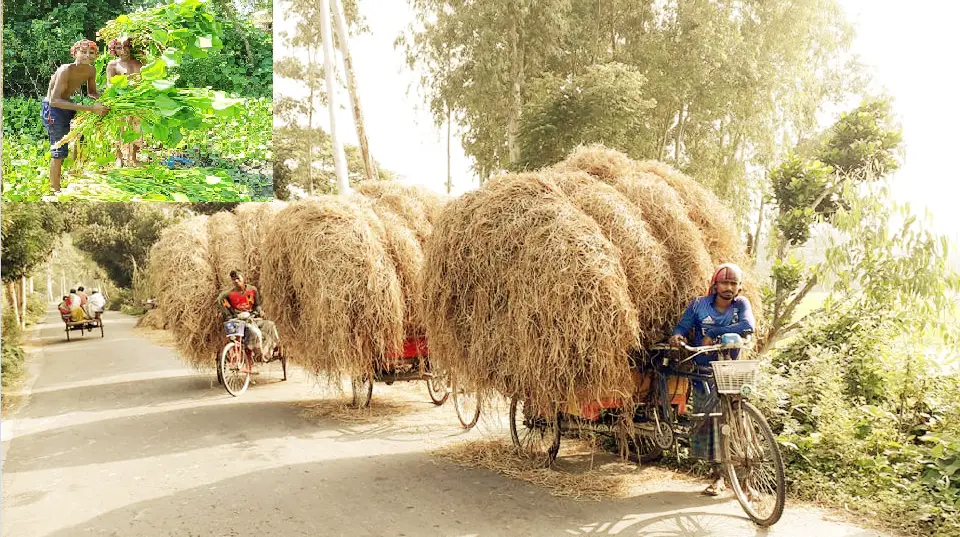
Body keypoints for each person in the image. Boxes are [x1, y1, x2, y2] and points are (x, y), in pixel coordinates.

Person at [668, 263, 756, 496]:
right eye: (724, 283)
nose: (729, 287)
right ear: (715, 285)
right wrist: (677, 337)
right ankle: (717, 478)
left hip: (731, 372)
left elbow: (748, 326)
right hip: (704, 374)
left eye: (733, 283)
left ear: (739, 287)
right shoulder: (699, 305)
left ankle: (746, 484)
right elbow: (682, 327)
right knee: (710, 427)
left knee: (740, 425)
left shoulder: (741, 305)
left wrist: (712, 333)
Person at [43, 40, 110, 194]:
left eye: (91, 53)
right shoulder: (65, 70)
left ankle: (75, 174)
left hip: (67, 105)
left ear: (96, 55)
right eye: (83, 52)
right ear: (74, 53)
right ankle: (55, 190)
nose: (87, 55)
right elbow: (54, 100)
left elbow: (92, 93)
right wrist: (91, 109)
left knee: (81, 138)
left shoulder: (91, 70)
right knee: (59, 148)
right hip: (53, 109)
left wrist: (107, 100)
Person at [216, 270, 278, 360]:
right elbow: (220, 300)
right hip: (238, 320)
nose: (236, 281)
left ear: (244, 279)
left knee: (270, 325)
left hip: (252, 317)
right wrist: (228, 315)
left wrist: (259, 311)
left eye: (238, 278)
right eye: (233, 279)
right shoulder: (229, 294)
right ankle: (251, 347)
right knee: (250, 330)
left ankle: (267, 350)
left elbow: (257, 305)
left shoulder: (252, 290)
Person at [105, 38, 143, 166]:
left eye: (126, 46)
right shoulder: (113, 65)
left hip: (137, 101)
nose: (123, 50)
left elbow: (145, 81)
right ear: (114, 50)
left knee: (135, 129)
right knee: (119, 129)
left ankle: (133, 158)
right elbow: (110, 84)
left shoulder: (139, 63)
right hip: (120, 101)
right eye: (119, 48)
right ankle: (119, 157)